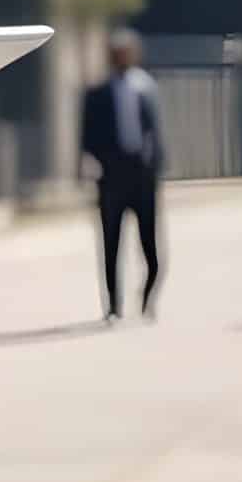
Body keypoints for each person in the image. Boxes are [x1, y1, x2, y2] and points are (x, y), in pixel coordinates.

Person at [79, 29, 165, 322]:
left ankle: (148, 298)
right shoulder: (96, 94)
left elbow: (155, 135)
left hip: (142, 177)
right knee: (111, 246)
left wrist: (156, 170)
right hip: (112, 177)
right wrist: (93, 167)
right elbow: (86, 138)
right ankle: (114, 306)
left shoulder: (146, 89)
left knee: (150, 246)